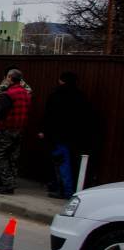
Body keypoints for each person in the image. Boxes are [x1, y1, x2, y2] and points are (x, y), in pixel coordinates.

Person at [38, 71, 93, 199]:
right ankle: (67, 188)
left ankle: (64, 190)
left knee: (61, 164)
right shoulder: (81, 96)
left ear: (61, 81)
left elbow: (49, 116)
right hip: (76, 136)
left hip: (58, 135)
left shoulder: (56, 95)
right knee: (71, 163)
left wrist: (44, 131)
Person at [0, 69, 32, 195]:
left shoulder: (7, 94)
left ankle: (7, 183)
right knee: (13, 156)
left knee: (1, 156)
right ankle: (9, 180)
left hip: (7, 129)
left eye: (7, 77)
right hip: (19, 129)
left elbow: (2, 113)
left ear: (9, 78)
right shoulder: (25, 93)